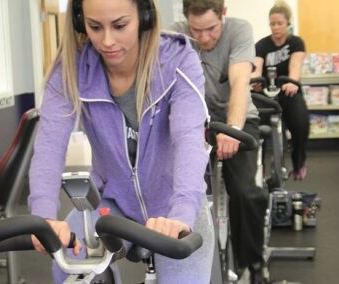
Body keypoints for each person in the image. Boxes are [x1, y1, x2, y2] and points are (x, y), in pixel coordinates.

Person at [27, 0, 214, 283]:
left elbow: (188, 138)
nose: (107, 41)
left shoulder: (177, 59)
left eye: (119, 25)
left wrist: (182, 214)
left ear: (145, 16)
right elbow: (49, 149)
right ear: (79, 21)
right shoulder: (73, 69)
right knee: (68, 263)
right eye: (94, 27)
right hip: (110, 205)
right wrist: (44, 218)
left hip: (176, 203)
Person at [170, 1, 267, 283]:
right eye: (196, 30)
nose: (203, 38)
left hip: (237, 120)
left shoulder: (239, 30)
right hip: (196, 124)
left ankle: (254, 264)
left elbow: (239, 82)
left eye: (211, 29)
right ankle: (186, 267)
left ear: (223, 14)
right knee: (184, 193)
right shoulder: (175, 34)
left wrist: (232, 128)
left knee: (245, 192)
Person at [252, 1, 310, 181]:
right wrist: (254, 80)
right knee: (255, 128)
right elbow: (257, 66)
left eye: (280, 23)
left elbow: (295, 66)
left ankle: (298, 163)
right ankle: (257, 169)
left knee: (301, 126)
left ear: (288, 23)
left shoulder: (296, 42)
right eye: (272, 24)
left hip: (288, 90)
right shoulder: (262, 45)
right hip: (265, 93)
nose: (275, 27)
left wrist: (292, 81)